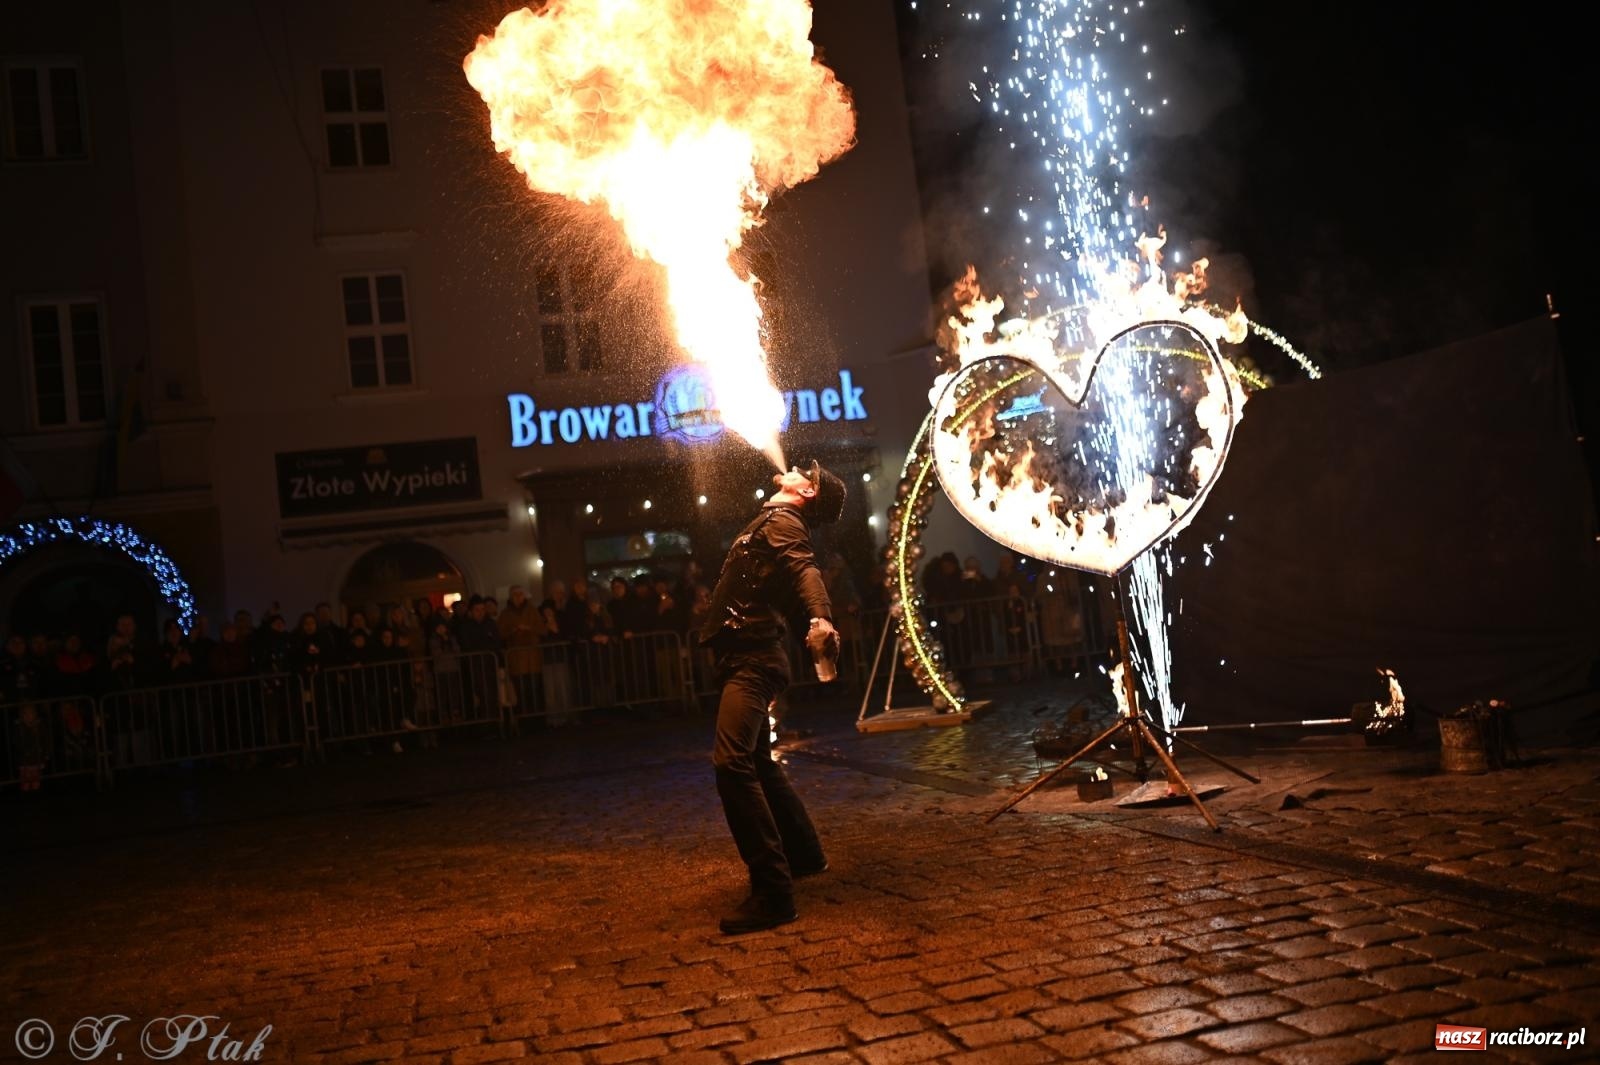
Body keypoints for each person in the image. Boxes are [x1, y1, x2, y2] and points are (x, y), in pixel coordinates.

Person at [698, 459, 844, 934]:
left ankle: (773, 894)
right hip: (747, 655)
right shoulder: (774, 519)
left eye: (809, 474)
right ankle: (805, 854)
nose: (798, 467)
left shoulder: (785, 521)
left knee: (731, 763)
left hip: (753, 661)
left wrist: (820, 618)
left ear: (806, 495)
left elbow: (806, 569)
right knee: (757, 761)